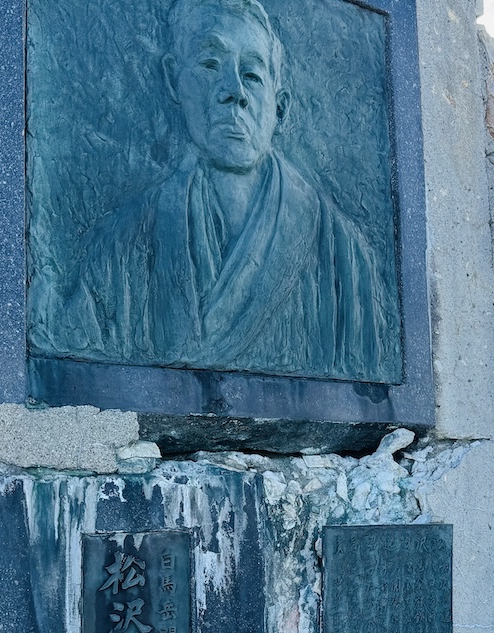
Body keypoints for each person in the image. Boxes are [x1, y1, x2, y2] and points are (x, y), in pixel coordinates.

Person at [41, 0, 400, 384]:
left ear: (280, 108)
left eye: (252, 75)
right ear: (172, 81)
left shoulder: (346, 259)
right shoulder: (122, 247)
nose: (234, 92)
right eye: (210, 65)